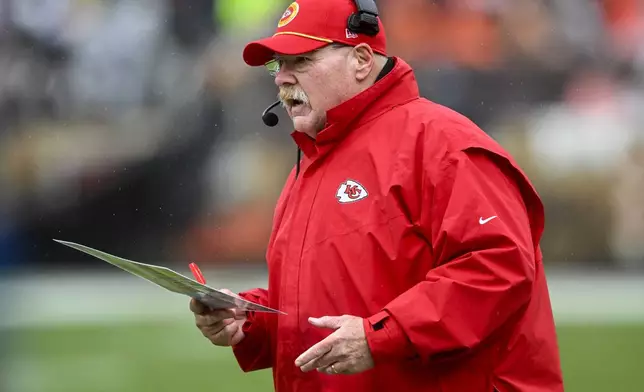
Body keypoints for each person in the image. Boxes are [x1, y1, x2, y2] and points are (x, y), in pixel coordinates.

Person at [190, 0, 564, 390]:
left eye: (300, 60)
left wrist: (382, 334)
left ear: (362, 60)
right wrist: (250, 320)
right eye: (277, 65)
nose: (282, 78)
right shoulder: (315, 161)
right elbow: (332, 299)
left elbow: (498, 267)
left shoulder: (441, 144)